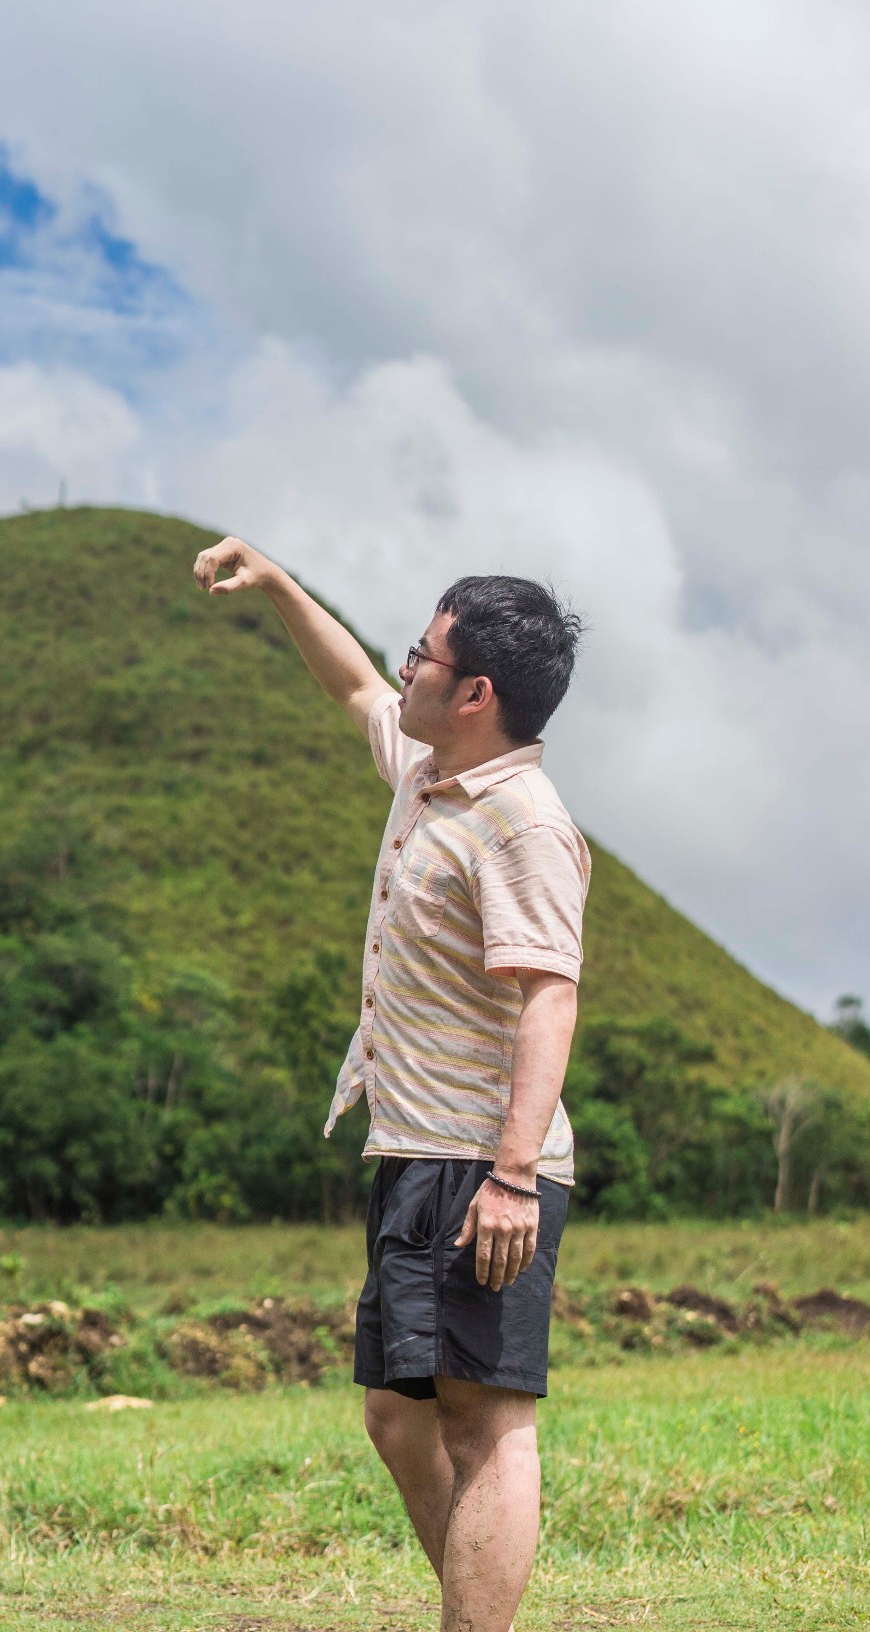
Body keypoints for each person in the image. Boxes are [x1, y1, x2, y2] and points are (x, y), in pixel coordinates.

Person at [193, 536, 588, 1632]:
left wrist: (512, 1175)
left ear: (475, 692)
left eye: (423, 654)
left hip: (483, 1162)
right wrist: (275, 583)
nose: (400, 665)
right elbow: (353, 682)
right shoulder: (429, 773)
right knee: (395, 1414)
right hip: (415, 1146)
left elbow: (549, 997)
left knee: (486, 1422)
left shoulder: (523, 822)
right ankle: (477, 1605)